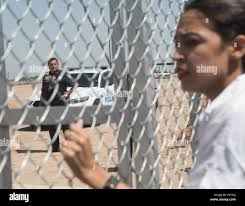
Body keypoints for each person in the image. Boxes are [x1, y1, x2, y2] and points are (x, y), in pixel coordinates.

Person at [61, 0, 245, 188]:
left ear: (237, 47)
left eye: (192, 42)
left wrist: (94, 174)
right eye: (177, 44)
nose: (176, 55)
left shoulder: (232, 118)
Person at [40, 57, 75, 152]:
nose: (53, 66)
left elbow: (74, 84)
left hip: (62, 104)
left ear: (57, 65)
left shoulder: (63, 74)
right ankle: (55, 147)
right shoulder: (46, 76)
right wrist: (41, 103)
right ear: (48, 66)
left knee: (65, 126)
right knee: (52, 127)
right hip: (50, 105)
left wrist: (67, 94)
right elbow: (43, 90)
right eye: (51, 64)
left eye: (54, 64)